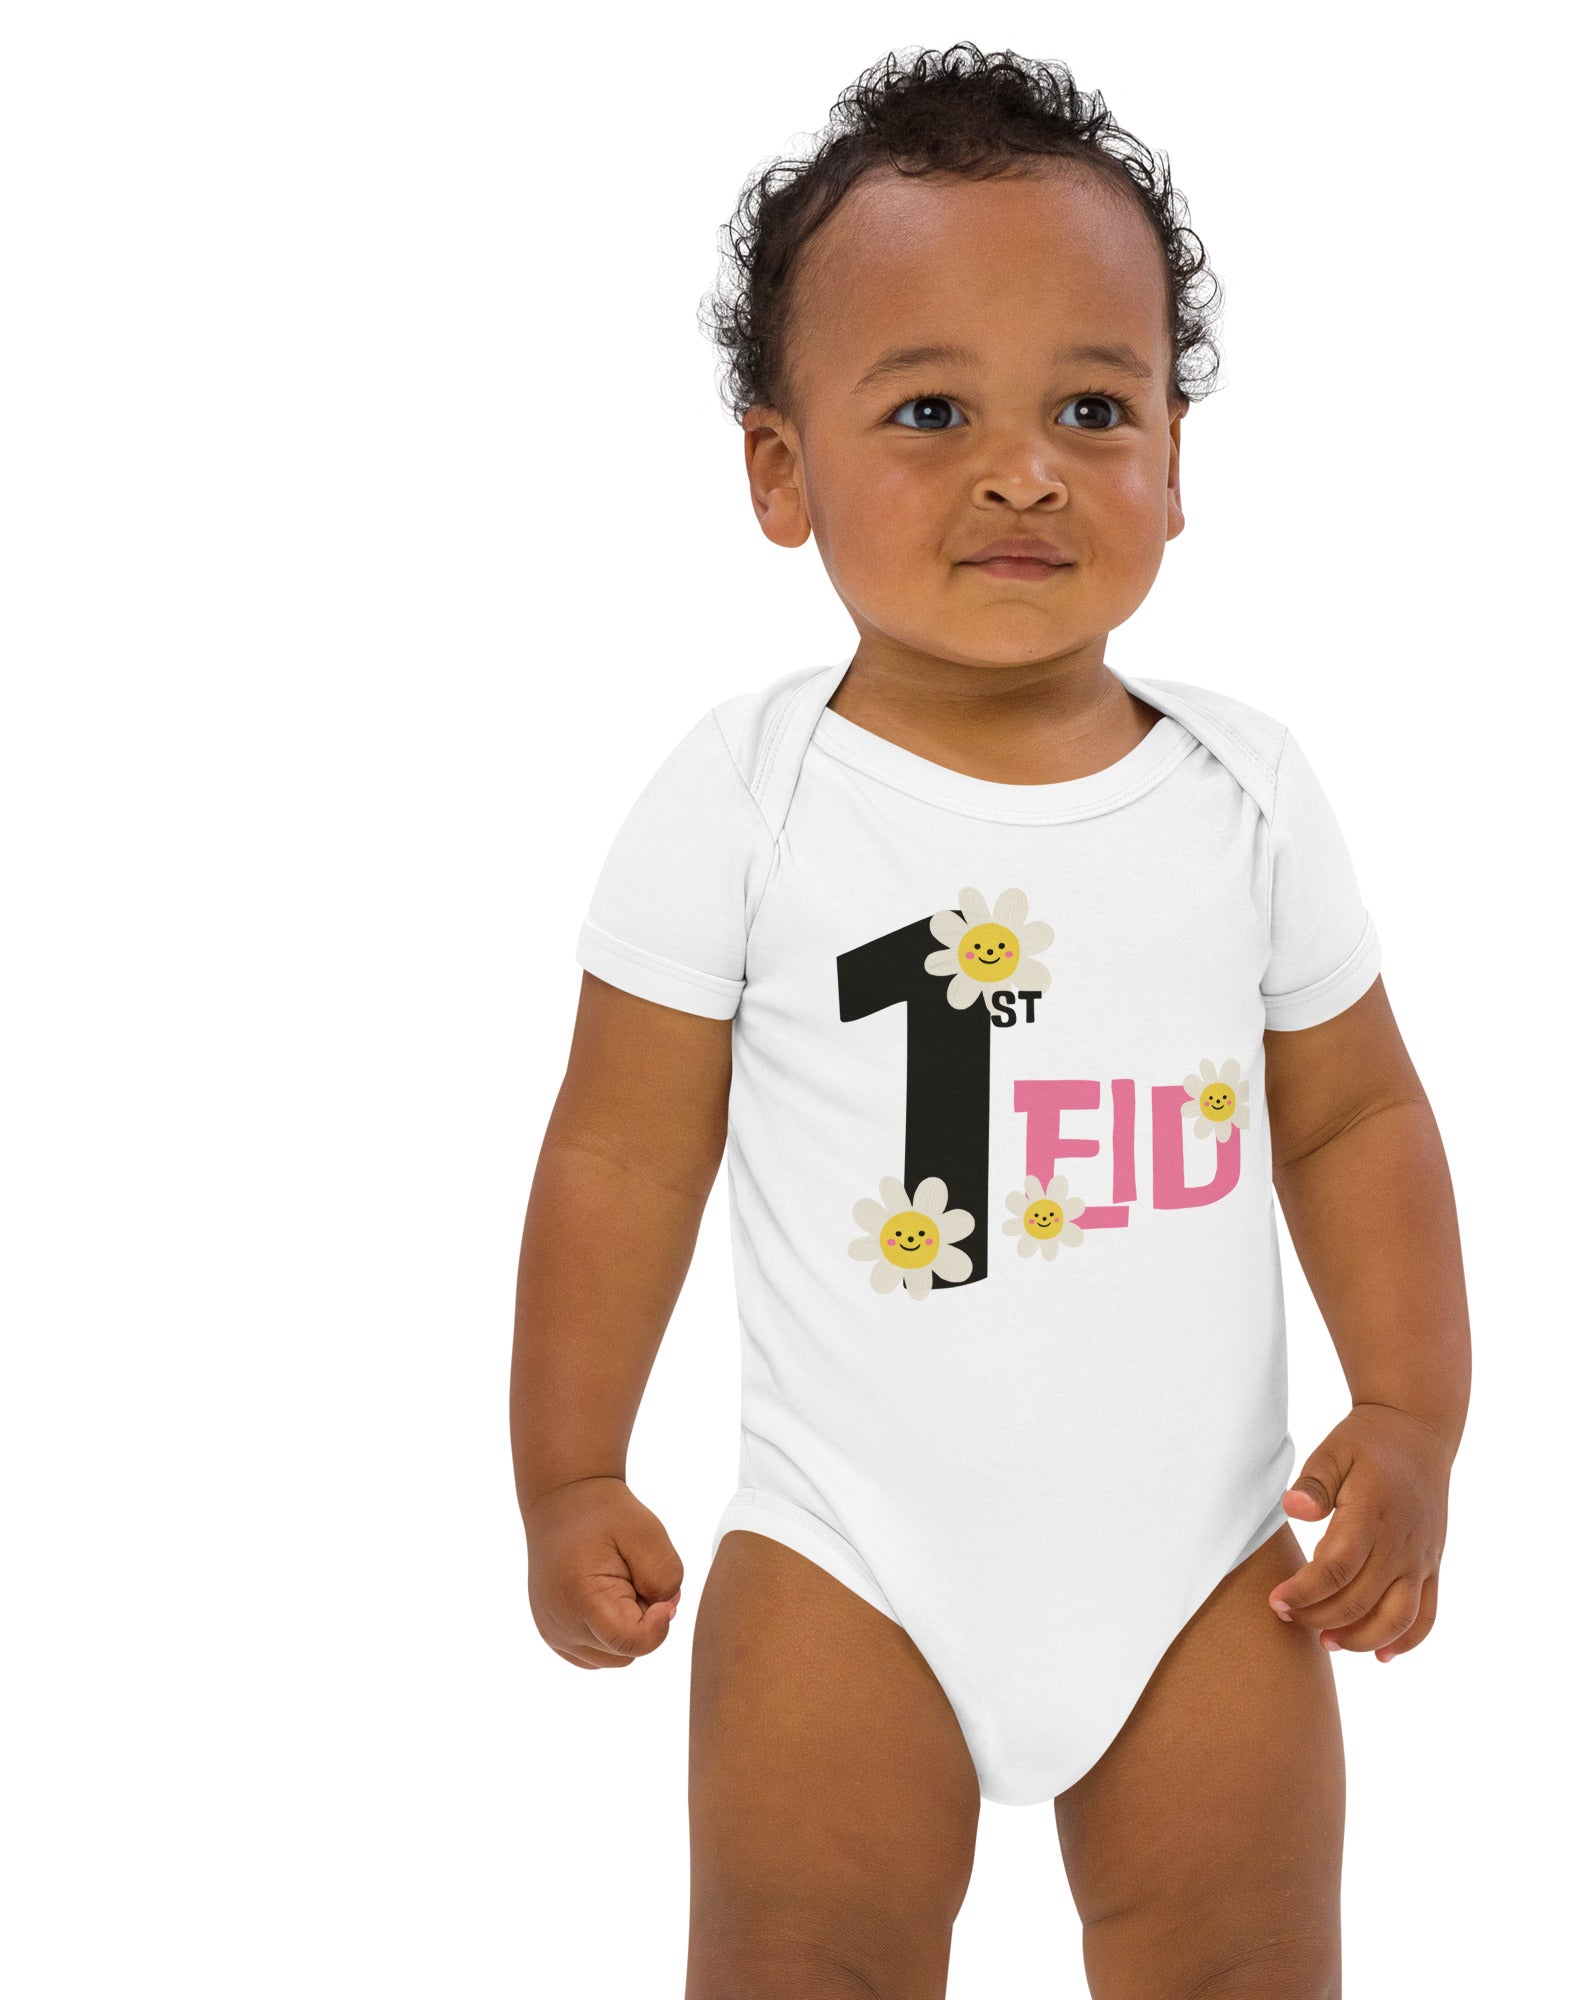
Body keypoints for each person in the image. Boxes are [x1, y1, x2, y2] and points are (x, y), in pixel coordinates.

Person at [510, 43, 1471, 2000]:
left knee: (1245, 1960)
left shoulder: (1247, 793)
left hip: (1208, 1566)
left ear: (1177, 464)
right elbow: (620, 1146)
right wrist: (567, 1468)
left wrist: (1410, 1412)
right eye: (930, 409)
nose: (1023, 469)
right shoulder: (746, 798)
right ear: (781, 472)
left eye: (1093, 409)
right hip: (847, 1561)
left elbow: (1353, 1118)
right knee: (799, 1955)